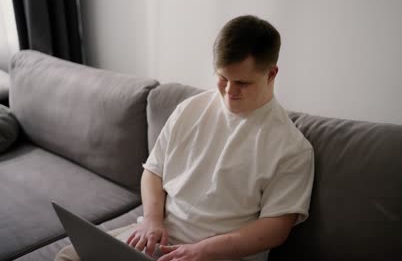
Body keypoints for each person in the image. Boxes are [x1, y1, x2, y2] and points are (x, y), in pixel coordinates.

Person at [56, 14, 314, 261]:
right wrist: (152, 219)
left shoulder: (292, 148)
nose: (229, 91)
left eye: (242, 83)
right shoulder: (190, 109)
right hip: (160, 238)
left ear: (271, 74)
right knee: (69, 255)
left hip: (220, 254)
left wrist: (204, 251)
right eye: (222, 78)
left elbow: (276, 228)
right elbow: (154, 171)